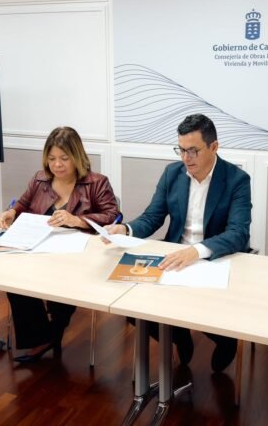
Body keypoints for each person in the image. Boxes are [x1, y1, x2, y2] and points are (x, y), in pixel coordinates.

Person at [106, 114, 252, 372]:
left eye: (193, 151)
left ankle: (224, 339)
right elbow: (153, 216)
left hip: (215, 258)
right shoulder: (172, 173)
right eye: (181, 150)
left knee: (206, 308)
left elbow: (238, 233)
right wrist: (125, 229)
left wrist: (196, 251)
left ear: (214, 147)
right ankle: (178, 335)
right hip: (174, 256)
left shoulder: (236, 179)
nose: (186, 158)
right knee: (132, 307)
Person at [0, 127, 119, 363]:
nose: (57, 165)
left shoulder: (96, 183)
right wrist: (11, 212)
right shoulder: (40, 179)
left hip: (78, 256)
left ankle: (55, 329)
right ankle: (42, 336)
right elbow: (22, 204)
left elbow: (112, 215)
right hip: (39, 250)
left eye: (64, 158)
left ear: (77, 156)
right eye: (52, 158)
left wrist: (77, 220)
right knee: (14, 279)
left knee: (61, 280)